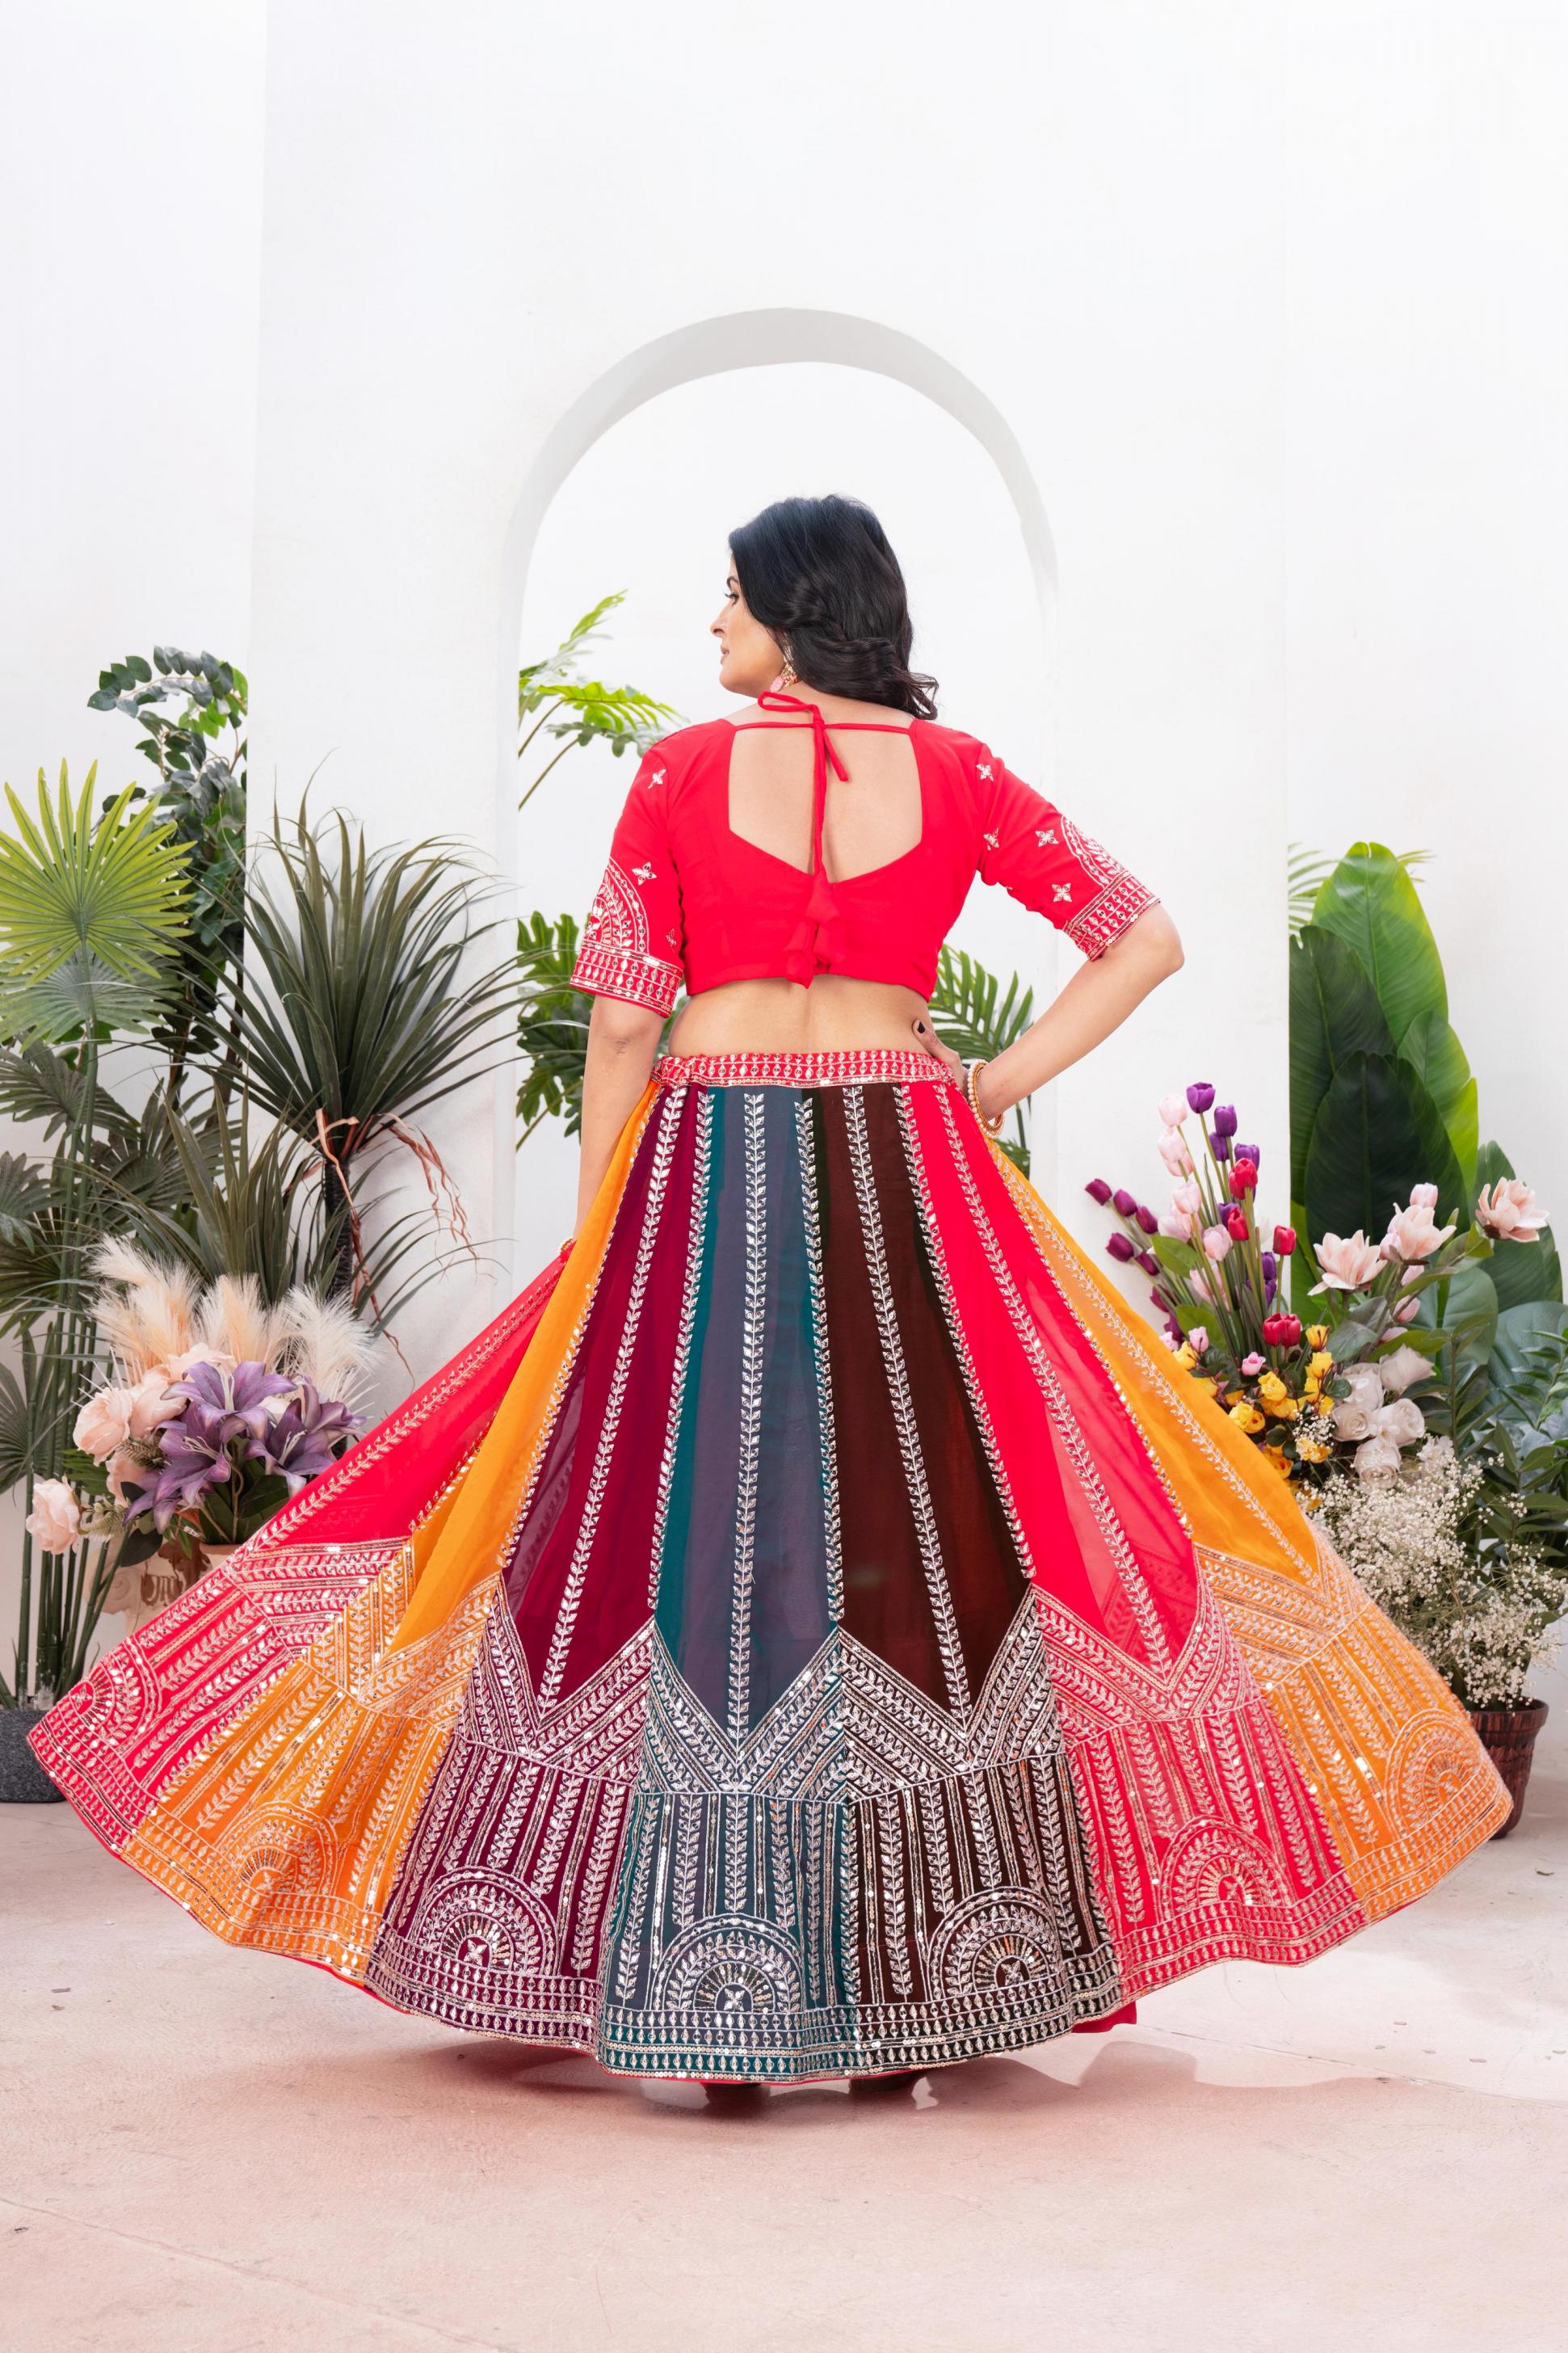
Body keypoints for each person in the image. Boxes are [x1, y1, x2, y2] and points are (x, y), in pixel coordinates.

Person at [32, 495, 1511, 2107]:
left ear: (794, 609)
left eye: (729, 595)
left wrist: (604, 1230)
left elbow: (620, 1023)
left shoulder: (678, 772)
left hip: (711, 1161)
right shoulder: (958, 776)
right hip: (908, 1167)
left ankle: (705, 1994)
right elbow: (1140, 937)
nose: (713, 622)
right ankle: (932, 1981)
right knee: (924, 1544)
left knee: (698, 1546)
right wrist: (991, 1081)